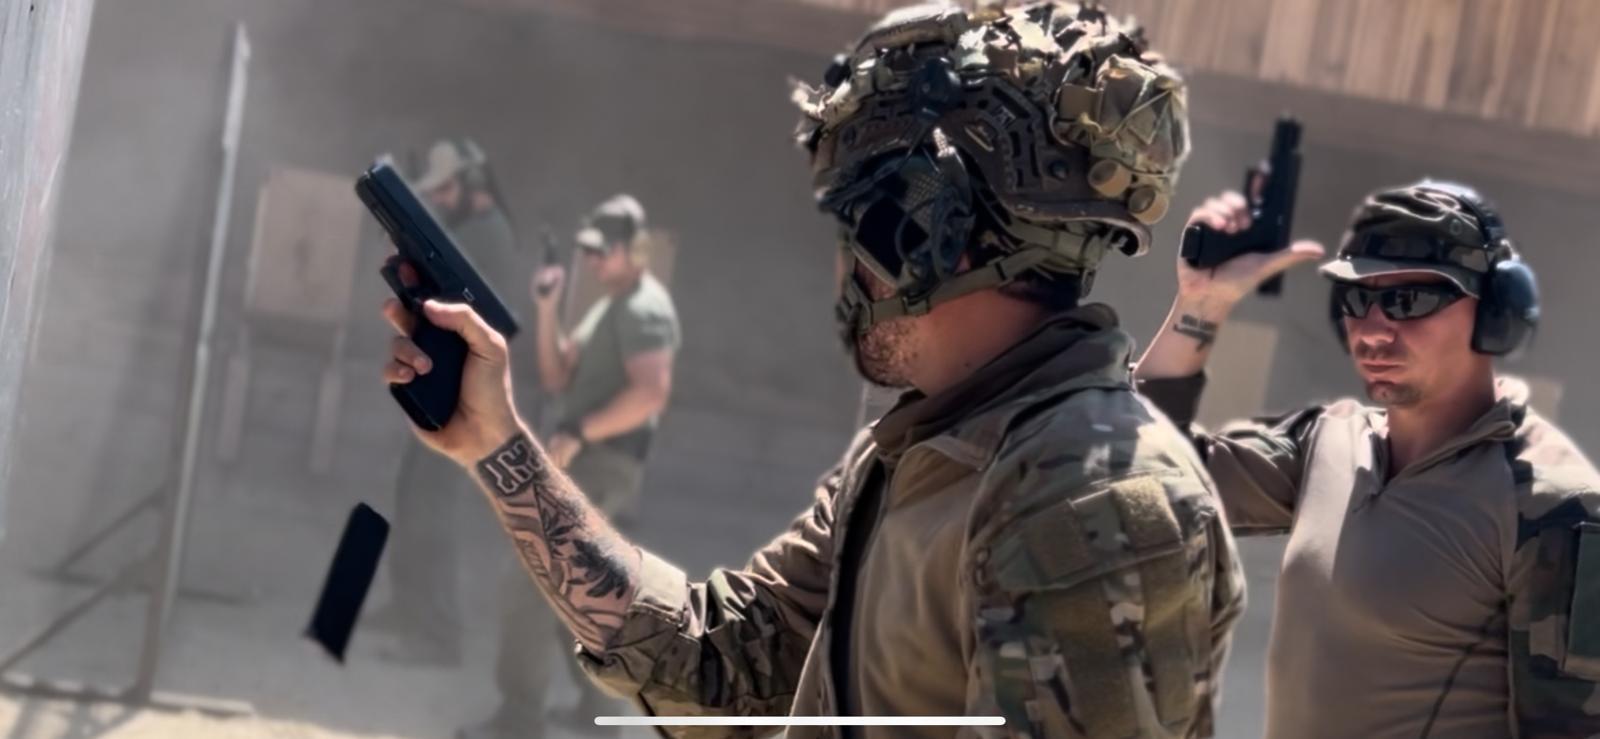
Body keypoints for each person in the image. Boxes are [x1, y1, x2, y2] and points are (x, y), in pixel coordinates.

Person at [382, 3, 1244, 737]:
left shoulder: (1092, 502)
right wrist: (495, 442)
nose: (841, 262)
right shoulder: (912, 453)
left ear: (926, 231)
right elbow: (717, 660)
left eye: (861, 218)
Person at [1135, 181, 1600, 738]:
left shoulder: (1550, 503)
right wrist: (1200, 306)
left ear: (1495, 312)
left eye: (1409, 302)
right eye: (1357, 300)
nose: (1374, 331)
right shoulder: (1327, 442)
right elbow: (1143, 482)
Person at [460, 194, 681, 739]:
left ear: (634, 251)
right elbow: (557, 375)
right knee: (577, 586)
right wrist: (547, 307)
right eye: (590, 251)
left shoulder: (644, 309)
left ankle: (520, 718)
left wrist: (580, 433)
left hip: (603, 463)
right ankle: (596, 713)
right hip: (588, 462)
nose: (594, 261)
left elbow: (650, 393)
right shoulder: (611, 306)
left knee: (532, 579)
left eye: (604, 251)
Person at [363, 137, 524, 666]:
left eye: (447, 188)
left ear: (473, 184)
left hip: (464, 395)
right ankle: (411, 606)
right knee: (413, 495)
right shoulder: (475, 230)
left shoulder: (485, 233)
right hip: (450, 389)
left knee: (433, 510)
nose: (440, 199)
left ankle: (438, 634)